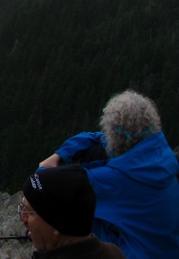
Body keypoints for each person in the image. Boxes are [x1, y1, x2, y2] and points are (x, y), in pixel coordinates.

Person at [39, 90, 179, 257]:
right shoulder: (162, 155)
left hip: (131, 254)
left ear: (115, 134)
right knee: (95, 149)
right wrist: (61, 153)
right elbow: (96, 138)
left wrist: (46, 166)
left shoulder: (110, 180)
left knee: (75, 216)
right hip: (167, 249)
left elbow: (44, 186)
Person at [19, 165, 125, 257]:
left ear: (56, 223)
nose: (23, 218)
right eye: (22, 208)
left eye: (28, 212)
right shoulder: (113, 252)